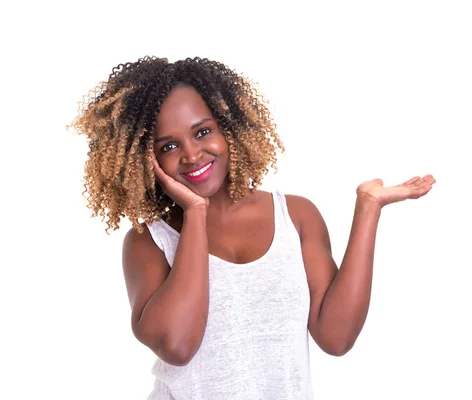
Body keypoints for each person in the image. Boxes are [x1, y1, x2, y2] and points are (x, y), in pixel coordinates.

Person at [71, 56, 436, 400]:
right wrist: (195, 212)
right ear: (146, 160)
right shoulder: (149, 242)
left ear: (228, 128)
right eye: (169, 145)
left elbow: (335, 338)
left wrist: (368, 208)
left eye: (202, 132)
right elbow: (178, 346)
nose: (192, 154)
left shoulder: (295, 215)